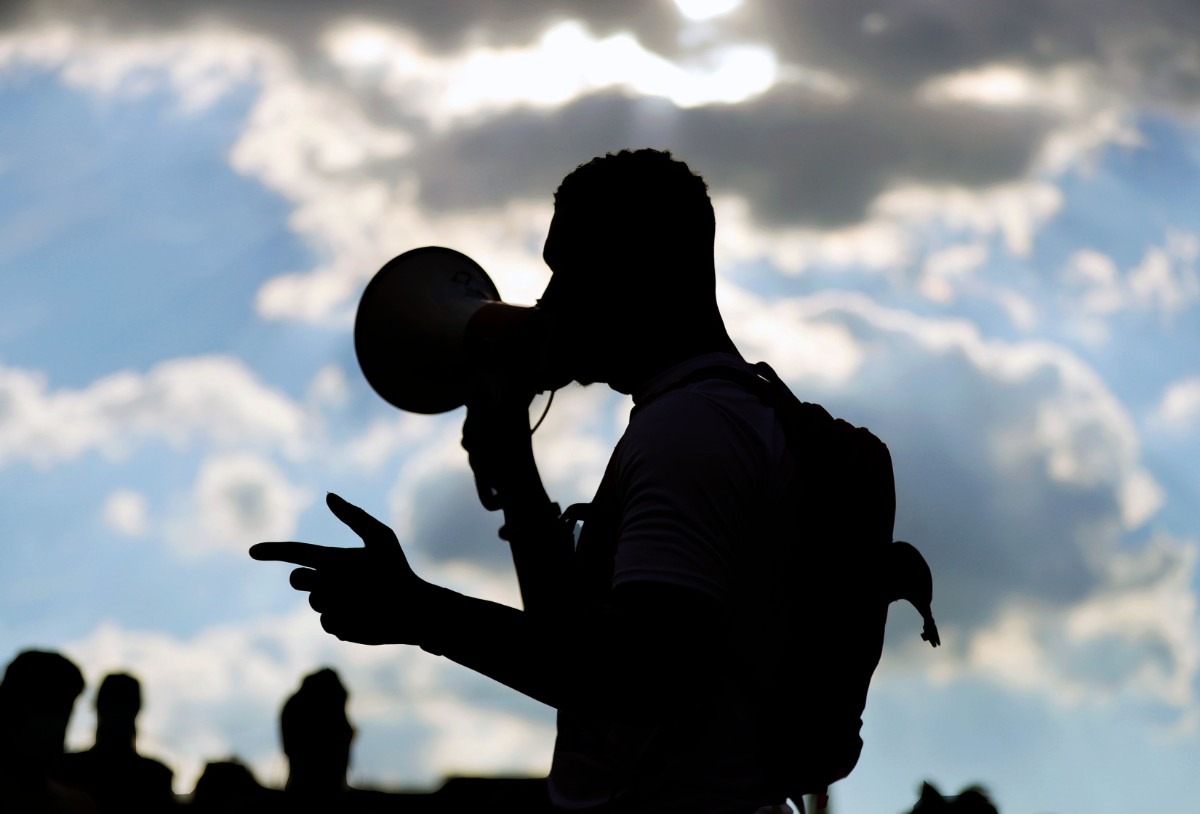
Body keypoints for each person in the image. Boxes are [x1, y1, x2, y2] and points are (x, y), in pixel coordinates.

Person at [252, 149, 796, 813]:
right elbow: (573, 648)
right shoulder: (722, 411)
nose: (548, 300)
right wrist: (512, 463)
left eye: (566, 270)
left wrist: (417, 611)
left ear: (634, 270)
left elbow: (636, 681)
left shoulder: (689, 429)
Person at [57, 672, 176, 812]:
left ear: (96, 707)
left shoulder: (67, 768)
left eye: (122, 705)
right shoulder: (156, 777)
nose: (117, 717)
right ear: (138, 709)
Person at [0, 649, 98, 813]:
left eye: (63, 713)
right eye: (46, 710)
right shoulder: (75, 806)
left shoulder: (76, 806)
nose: (57, 727)